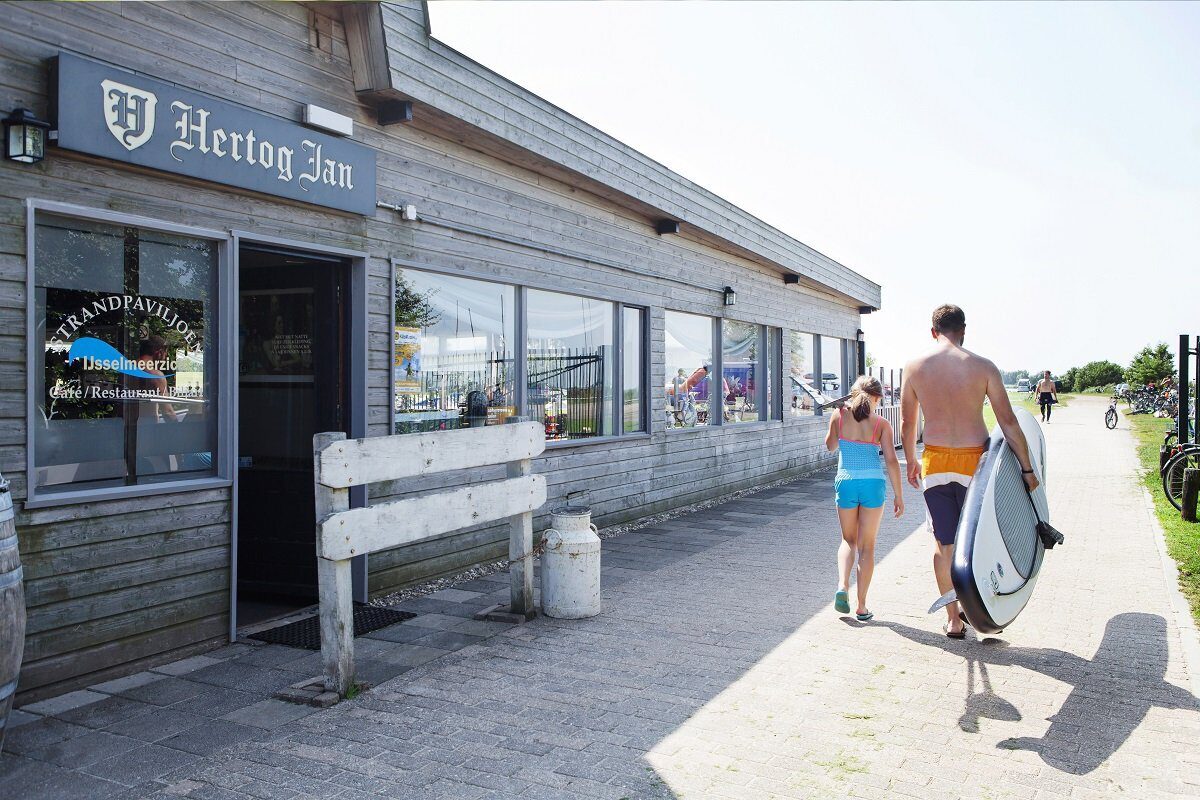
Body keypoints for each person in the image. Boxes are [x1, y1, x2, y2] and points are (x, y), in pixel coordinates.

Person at [901, 305, 1038, 638]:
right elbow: (1007, 423)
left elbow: (907, 424)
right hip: (975, 465)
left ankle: (952, 619)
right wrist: (1028, 468)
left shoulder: (915, 368)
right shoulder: (983, 367)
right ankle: (981, 609)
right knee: (978, 541)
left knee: (943, 544)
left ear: (933, 332)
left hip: (934, 463)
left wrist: (911, 461)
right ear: (964, 330)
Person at [825, 375, 904, 621]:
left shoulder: (839, 415)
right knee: (867, 547)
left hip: (846, 481)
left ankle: (841, 586)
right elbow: (891, 460)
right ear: (877, 398)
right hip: (873, 485)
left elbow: (830, 446)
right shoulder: (881, 424)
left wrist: (836, 421)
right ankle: (861, 606)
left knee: (848, 540)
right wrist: (899, 495)